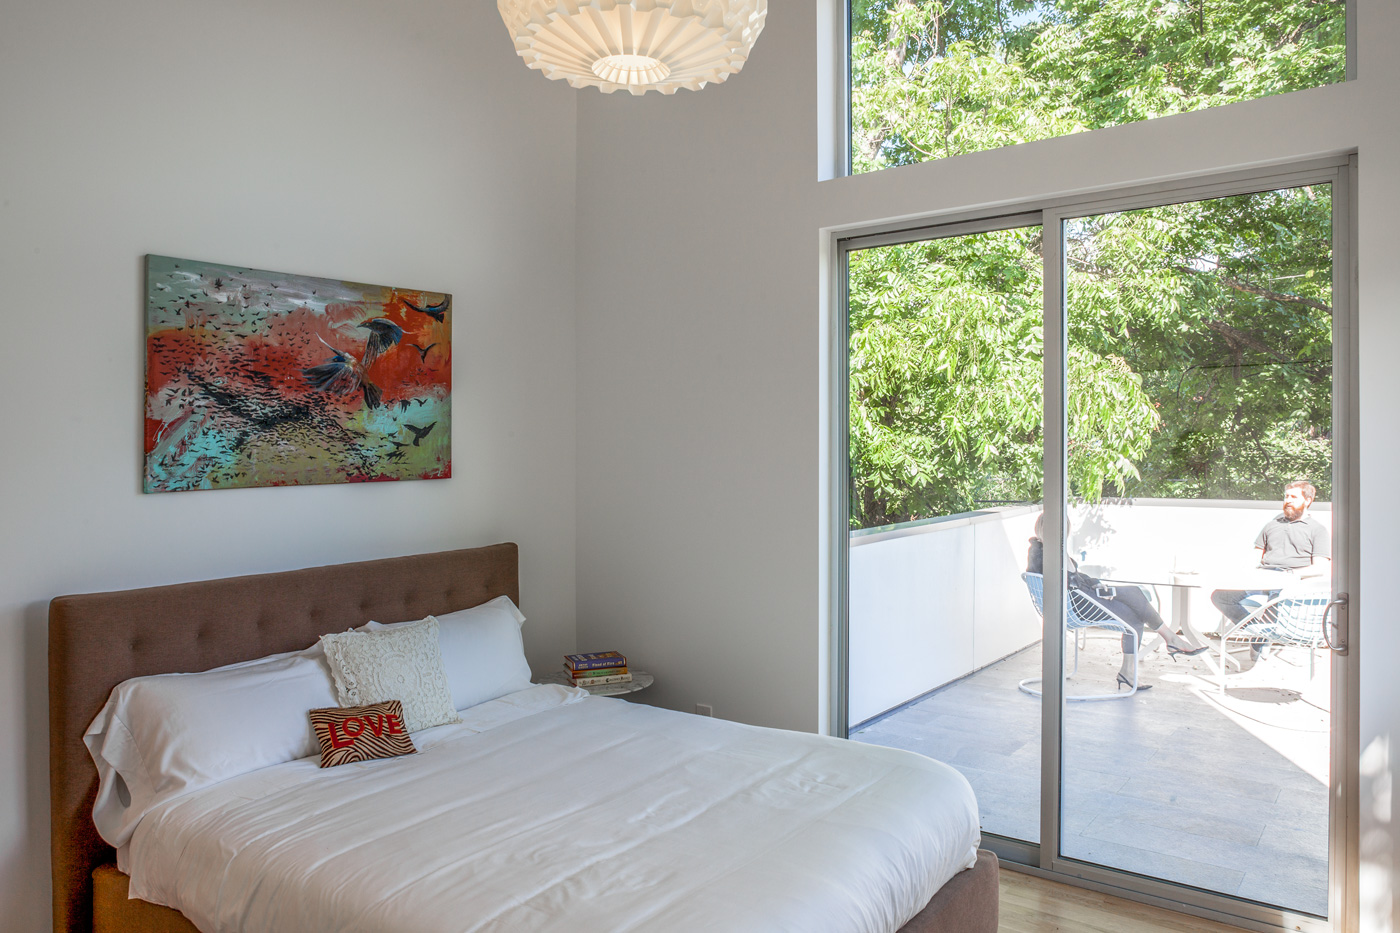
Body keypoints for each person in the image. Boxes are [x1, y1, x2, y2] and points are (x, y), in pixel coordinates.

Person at [1028, 513, 1206, 692]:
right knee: (1135, 593)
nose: (1062, 532)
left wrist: (1097, 585)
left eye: (1063, 528)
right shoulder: (1043, 553)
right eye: (1058, 528)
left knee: (1134, 619)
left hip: (1083, 599)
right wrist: (1095, 590)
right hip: (1077, 605)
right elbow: (1064, 582)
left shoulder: (1052, 549)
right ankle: (1171, 638)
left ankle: (1128, 671)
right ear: (1043, 529)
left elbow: (1076, 578)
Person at [1210, 480, 1331, 648]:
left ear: (1308, 501)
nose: (1288, 500)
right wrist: (1246, 573)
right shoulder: (1272, 525)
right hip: (1263, 576)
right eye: (1286, 496)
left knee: (1271, 616)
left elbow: (1319, 567)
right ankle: (1259, 635)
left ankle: (1260, 639)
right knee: (1220, 597)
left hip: (1289, 581)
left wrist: (1290, 575)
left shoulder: (1317, 530)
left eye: (1294, 497)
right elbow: (1256, 556)